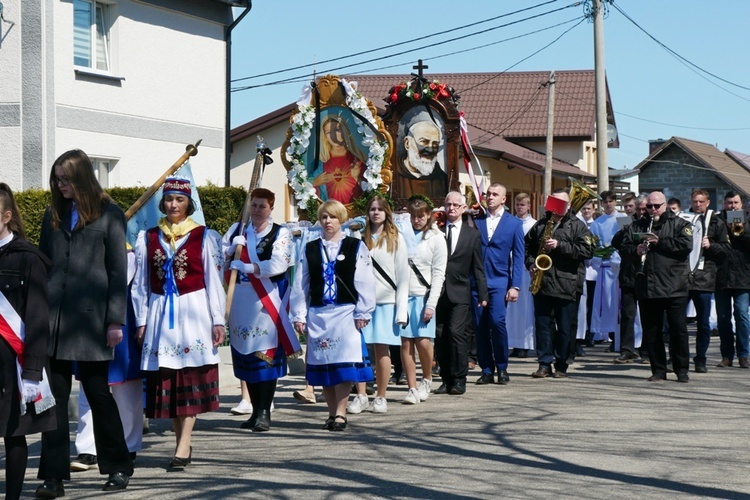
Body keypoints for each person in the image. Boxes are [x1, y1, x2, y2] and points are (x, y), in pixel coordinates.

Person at [36, 150, 133, 497]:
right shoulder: (54, 214)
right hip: (55, 321)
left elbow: (117, 273)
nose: (61, 186)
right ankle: (53, 476)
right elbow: (44, 264)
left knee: (98, 394)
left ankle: (118, 465)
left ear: (81, 177)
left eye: (66, 179)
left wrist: (115, 321)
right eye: (57, 180)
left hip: (92, 324)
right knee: (53, 400)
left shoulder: (110, 215)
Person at [132, 176, 226, 468]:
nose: (174, 204)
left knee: (189, 380)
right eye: (170, 199)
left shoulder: (205, 236)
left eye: (180, 200)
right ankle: (180, 442)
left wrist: (217, 319)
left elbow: (213, 282)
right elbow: (141, 285)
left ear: (189, 204)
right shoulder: (148, 238)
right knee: (170, 386)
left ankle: (183, 445)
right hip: (162, 315)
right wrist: (142, 319)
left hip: (194, 313)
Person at [291, 200, 376, 431]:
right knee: (324, 366)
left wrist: (363, 310)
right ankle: (330, 413)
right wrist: (299, 314)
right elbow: (301, 283)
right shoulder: (310, 248)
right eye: (324, 217)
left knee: (343, 365)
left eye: (333, 217)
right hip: (319, 314)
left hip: (346, 313)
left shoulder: (354, 246)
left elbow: (365, 280)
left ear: (341, 220)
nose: (328, 222)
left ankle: (340, 412)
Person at [223, 188, 297, 431]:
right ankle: (254, 412)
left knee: (263, 356)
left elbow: (278, 263)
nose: (256, 210)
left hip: (266, 300)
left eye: (262, 206)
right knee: (246, 356)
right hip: (241, 301)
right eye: (253, 205)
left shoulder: (280, 232)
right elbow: (216, 258)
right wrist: (228, 250)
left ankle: (265, 411)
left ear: (271, 208)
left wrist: (249, 267)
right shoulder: (237, 230)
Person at [0, 184, 56, 500]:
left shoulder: (28, 259)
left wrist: (33, 372)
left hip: (14, 361)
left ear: (7, 217)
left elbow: (36, 318)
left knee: (14, 433)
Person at [71, 246, 143, 471]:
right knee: (88, 389)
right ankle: (87, 448)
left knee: (126, 391)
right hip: (89, 322)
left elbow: (123, 284)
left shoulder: (130, 254)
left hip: (120, 322)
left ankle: (128, 444)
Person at [619, 191, 693, 382]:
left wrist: (659, 242)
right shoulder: (637, 225)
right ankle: (658, 369)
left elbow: (685, 245)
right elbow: (622, 247)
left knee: (678, 330)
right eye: (649, 206)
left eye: (657, 206)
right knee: (652, 331)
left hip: (674, 285)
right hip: (647, 285)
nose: (653, 210)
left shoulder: (680, 223)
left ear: (665, 205)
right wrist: (635, 250)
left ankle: (681, 369)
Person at [347, 195, 408, 413]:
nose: (375, 213)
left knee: (382, 350)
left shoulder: (395, 239)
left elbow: (403, 276)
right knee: (359, 351)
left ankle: (381, 396)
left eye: (379, 209)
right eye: (372, 209)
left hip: (385, 302)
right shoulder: (359, 237)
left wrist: (401, 310)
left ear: (386, 213)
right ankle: (361, 394)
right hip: (362, 303)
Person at [525, 189, 595, 379]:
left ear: (569, 205)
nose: (556, 208)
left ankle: (562, 364)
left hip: (567, 282)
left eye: (561, 204)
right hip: (543, 282)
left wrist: (560, 245)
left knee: (565, 327)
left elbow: (588, 250)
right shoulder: (541, 224)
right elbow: (527, 246)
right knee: (543, 324)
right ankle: (544, 363)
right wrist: (530, 263)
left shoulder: (578, 226)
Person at [434, 192, 488, 395]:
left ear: (464, 208)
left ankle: (459, 378)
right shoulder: (436, 231)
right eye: (448, 204)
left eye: (456, 205)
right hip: (437, 293)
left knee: (456, 333)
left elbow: (478, 267)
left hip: (460, 292)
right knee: (440, 335)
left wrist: (483, 294)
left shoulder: (472, 234)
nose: (452, 208)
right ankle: (446, 378)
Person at [473, 183, 524, 385]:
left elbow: (518, 257)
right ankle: (486, 369)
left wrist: (515, 285)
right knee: (480, 325)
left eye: (495, 194)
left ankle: (502, 366)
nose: (490, 197)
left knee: (497, 322)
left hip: (500, 280)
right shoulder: (476, 221)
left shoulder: (513, 224)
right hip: (478, 281)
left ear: (503, 199)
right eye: (488, 194)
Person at [400, 195, 447, 402]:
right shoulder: (402, 236)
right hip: (403, 295)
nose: (416, 220)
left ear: (429, 216)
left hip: (423, 295)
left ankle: (426, 378)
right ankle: (411, 387)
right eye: (413, 216)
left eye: (421, 216)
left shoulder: (436, 238)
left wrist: (431, 304)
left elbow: (438, 273)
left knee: (423, 342)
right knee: (405, 344)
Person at [685, 189, 729, 373]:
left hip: (705, 278)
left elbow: (726, 249)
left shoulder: (717, 222)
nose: (697, 205)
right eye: (695, 201)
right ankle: (677, 357)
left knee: (703, 323)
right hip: (684, 277)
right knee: (677, 321)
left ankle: (700, 358)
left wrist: (711, 246)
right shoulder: (684, 219)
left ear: (708, 202)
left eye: (701, 202)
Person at [715, 191, 750, 369]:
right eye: (729, 203)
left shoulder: (746, 220)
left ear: (741, 204)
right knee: (723, 318)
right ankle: (726, 355)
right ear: (724, 204)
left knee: (742, 316)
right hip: (721, 276)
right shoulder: (717, 220)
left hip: (743, 276)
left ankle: (743, 355)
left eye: (736, 202)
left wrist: (739, 229)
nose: (733, 206)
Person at [611, 192, 646, 364]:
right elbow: (617, 244)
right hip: (628, 275)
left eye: (643, 209)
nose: (640, 212)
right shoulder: (631, 225)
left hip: (648, 276)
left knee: (648, 316)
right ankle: (627, 350)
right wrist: (623, 230)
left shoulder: (656, 225)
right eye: (638, 209)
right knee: (627, 314)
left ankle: (647, 350)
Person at [590, 191, 626, 353]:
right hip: (605, 268)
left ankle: (625, 340)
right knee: (608, 305)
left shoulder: (623, 219)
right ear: (601, 204)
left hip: (619, 267)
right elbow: (594, 244)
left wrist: (614, 253)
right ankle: (612, 338)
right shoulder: (597, 222)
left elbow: (627, 241)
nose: (608, 204)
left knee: (620, 305)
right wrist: (600, 253)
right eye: (605, 202)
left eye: (611, 201)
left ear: (615, 202)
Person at [507, 193, 536, 358]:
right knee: (512, 309)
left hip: (526, 271)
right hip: (512, 270)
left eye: (522, 205)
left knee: (526, 308)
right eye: (517, 204)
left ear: (529, 206)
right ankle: (514, 343)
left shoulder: (534, 225)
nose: (519, 207)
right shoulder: (511, 222)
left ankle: (525, 344)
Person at [311, 116, 366, 204]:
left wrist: (356, 178)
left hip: (355, 213)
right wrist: (315, 182)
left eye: (337, 130)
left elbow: (369, 193)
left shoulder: (357, 160)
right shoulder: (320, 162)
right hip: (329, 213)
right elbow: (305, 188)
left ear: (344, 132)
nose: (333, 136)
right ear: (324, 136)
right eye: (328, 132)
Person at [396, 108, 447, 199]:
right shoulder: (392, 176)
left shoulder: (442, 180)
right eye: (424, 142)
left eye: (435, 144)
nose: (430, 149)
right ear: (407, 143)